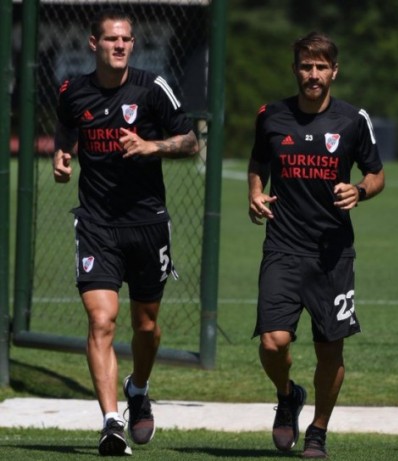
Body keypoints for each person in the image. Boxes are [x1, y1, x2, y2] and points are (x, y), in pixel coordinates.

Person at [52, 9, 199, 457]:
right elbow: (66, 129)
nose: (120, 45)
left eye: (127, 40)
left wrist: (152, 145)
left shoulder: (152, 88)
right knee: (101, 320)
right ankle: (110, 422)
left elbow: (191, 140)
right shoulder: (72, 91)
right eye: (112, 39)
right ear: (92, 44)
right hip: (96, 224)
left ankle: (138, 387)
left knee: (146, 326)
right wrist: (61, 155)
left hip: (147, 223)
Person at [247, 31, 385, 459]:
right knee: (273, 342)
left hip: (332, 255)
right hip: (283, 248)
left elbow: (377, 175)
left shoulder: (353, 120)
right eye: (306, 66)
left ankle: (319, 430)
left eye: (321, 67)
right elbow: (258, 164)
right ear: (295, 70)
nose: (313, 74)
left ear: (334, 72)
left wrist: (359, 191)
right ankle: (288, 396)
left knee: (330, 349)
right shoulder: (271, 115)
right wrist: (254, 192)